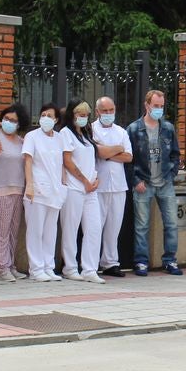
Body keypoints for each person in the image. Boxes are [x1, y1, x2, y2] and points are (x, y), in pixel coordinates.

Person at [125, 90, 182, 276]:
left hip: (165, 182)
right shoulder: (134, 129)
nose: (158, 109)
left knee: (172, 223)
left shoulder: (168, 128)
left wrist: (171, 174)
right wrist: (135, 180)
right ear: (146, 105)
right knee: (142, 225)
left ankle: (170, 260)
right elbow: (129, 158)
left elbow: (175, 154)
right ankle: (141, 261)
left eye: (161, 106)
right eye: (155, 105)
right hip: (144, 182)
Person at [59, 99, 104, 283]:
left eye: (86, 115)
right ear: (72, 115)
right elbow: (68, 161)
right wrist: (84, 181)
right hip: (74, 188)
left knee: (94, 228)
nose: (83, 118)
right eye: (80, 115)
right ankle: (70, 267)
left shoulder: (86, 134)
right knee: (70, 228)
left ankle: (89, 269)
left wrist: (95, 179)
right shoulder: (65, 134)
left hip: (90, 189)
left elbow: (91, 160)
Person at [0, 103, 29, 282]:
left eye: (13, 121)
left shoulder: (22, 142)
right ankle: (3, 268)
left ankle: (11, 265)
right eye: (6, 119)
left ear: (20, 124)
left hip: (17, 189)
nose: (8, 123)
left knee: (12, 231)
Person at [22, 102, 67, 281]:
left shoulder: (59, 138)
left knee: (50, 231)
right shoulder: (31, 136)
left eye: (50, 116)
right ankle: (36, 268)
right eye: (43, 115)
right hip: (38, 190)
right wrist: (30, 185)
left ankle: (49, 267)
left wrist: (63, 183)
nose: (45, 119)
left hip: (55, 190)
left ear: (56, 120)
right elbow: (27, 161)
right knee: (35, 230)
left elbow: (62, 163)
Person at [91, 96, 131, 277]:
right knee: (95, 226)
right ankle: (91, 263)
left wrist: (107, 152)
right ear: (97, 111)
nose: (108, 114)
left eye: (111, 110)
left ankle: (110, 262)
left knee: (114, 227)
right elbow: (97, 152)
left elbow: (128, 156)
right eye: (104, 111)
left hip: (118, 186)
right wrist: (116, 149)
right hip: (99, 185)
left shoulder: (121, 131)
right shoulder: (91, 129)